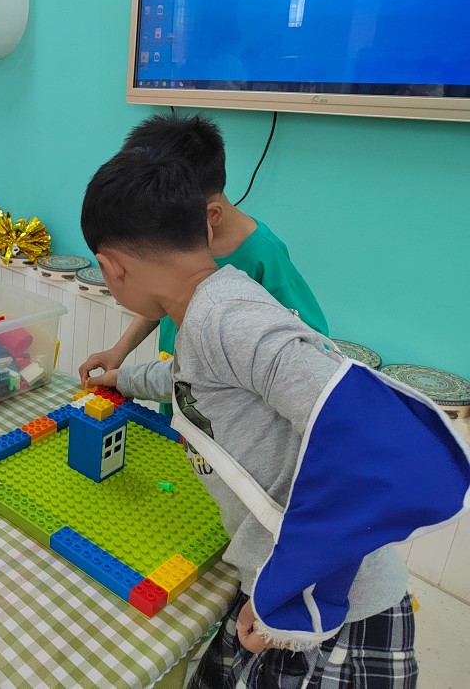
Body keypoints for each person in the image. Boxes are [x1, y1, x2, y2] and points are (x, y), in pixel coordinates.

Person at [79, 153, 431, 688]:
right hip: (281, 587)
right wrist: (123, 378)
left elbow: (376, 450)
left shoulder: (227, 320)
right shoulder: (210, 307)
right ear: (205, 227)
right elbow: (191, 377)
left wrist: (295, 600)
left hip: (327, 613)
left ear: (111, 268)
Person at [78, 114, 327, 415]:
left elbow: (311, 349)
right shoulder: (177, 254)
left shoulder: (262, 256)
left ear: (208, 217)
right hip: (184, 393)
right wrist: (119, 351)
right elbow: (157, 297)